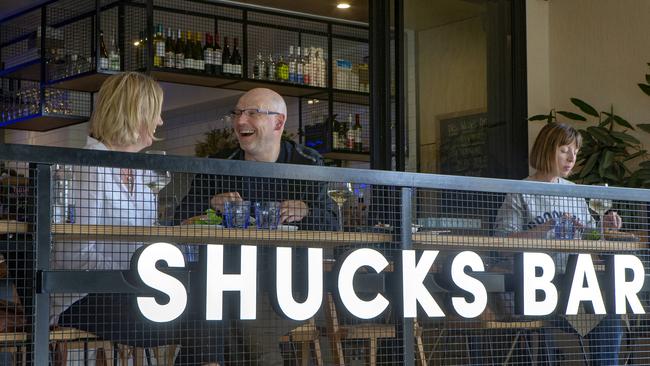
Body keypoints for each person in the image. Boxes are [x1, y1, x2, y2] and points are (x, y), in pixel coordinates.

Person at [51, 72, 222, 365]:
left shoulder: (142, 173)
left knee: (213, 311)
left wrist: (177, 233)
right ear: (136, 114)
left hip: (131, 289)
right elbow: (74, 257)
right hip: (83, 297)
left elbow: (141, 238)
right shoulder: (88, 168)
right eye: (156, 113)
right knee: (202, 318)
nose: (160, 122)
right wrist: (137, 277)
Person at [176, 87, 337, 365]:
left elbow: (333, 223)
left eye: (252, 113)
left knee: (241, 324)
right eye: (237, 113)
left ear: (278, 122)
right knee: (211, 322)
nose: (240, 121)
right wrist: (211, 204)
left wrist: (307, 210)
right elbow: (180, 220)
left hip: (289, 285)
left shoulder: (306, 163)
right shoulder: (220, 165)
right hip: (227, 281)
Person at [493, 122, 623, 364]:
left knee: (609, 320)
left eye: (575, 151)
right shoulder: (520, 191)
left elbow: (589, 237)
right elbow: (503, 245)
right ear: (546, 149)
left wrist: (602, 228)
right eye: (565, 150)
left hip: (571, 290)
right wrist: (544, 229)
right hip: (534, 291)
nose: (572, 158)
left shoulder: (573, 191)